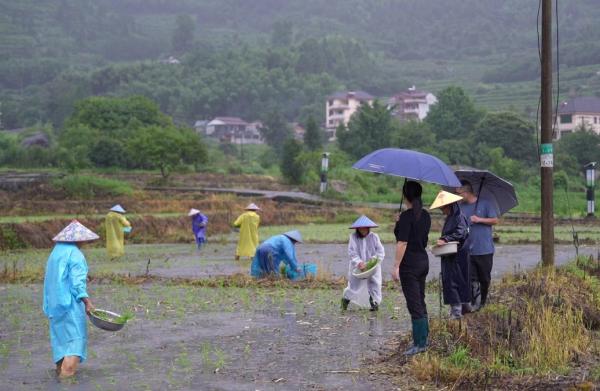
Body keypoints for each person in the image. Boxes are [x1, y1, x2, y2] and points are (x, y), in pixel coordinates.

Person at [43, 220, 98, 378]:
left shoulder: (56, 252)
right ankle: (66, 380)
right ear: (79, 239)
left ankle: (59, 379)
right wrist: (87, 302)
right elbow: (77, 284)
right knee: (75, 343)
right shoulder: (76, 255)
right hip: (70, 306)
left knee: (60, 343)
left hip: (54, 305)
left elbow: (56, 278)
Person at [392, 181, 431, 356]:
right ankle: (424, 338)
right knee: (420, 300)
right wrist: (399, 223)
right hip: (423, 262)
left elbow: (403, 242)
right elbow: (421, 240)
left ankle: (419, 344)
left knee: (414, 304)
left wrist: (396, 266)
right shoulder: (425, 216)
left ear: (405, 196)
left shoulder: (408, 217)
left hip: (410, 265)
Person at [457, 180, 498, 310]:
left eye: (459, 193)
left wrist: (478, 219)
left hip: (484, 249)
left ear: (466, 192)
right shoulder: (460, 207)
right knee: (470, 279)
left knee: (484, 279)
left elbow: (495, 220)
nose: (457, 195)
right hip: (467, 250)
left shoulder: (485, 204)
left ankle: (483, 303)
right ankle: (472, 305)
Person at [430, 190, 470, 320]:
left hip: (457, 256)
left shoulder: (459, 217)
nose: (442, 210)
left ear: (450, 205)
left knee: (454, 282)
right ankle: (463, 308)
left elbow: (461, 233)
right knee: (455, 281)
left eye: (443, 208)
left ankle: (457, 312)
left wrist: (445, 239)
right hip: (451, 255)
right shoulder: (452, 217)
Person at [341, 215, 385, 312]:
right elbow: (352, 252)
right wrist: (359, 262)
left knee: (375, 285)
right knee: (353, 286)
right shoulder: (353, 237)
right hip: (357, 267)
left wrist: (371, 263)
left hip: (373, 267)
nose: (363, 230)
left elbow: (380, 252)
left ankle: (374, 306)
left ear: (368, 228)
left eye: (365, 228)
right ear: (357, 229)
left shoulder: (374, 237)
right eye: (361, 228)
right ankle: (344, 303)